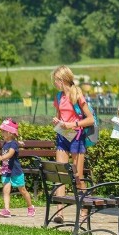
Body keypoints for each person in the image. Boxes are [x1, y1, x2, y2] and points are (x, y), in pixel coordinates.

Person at [51, 65, 95, 223]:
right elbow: (59, 116)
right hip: (63, 136)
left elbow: (90, 119)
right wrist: (57, 121)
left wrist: (73, 124)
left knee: (77, 176)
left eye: (55, 80)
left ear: (61, 80)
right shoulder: (58, 97)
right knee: (61, 173)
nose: (54, 84)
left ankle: (84, 209)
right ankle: (59, 212)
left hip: (76, 136)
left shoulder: (77, 94)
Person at [0, 118, 35, 218]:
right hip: (7, 171)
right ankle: (6, 210)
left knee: (22, 190)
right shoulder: (5, 144)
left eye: (3, 131)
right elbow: (6, 160)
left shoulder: (13, 144)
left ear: (9, 133)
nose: (1, 133)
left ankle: (30, 207)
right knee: (6, 190)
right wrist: (2, 167)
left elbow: (10, 154)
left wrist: (1, 157)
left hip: (16, 172)